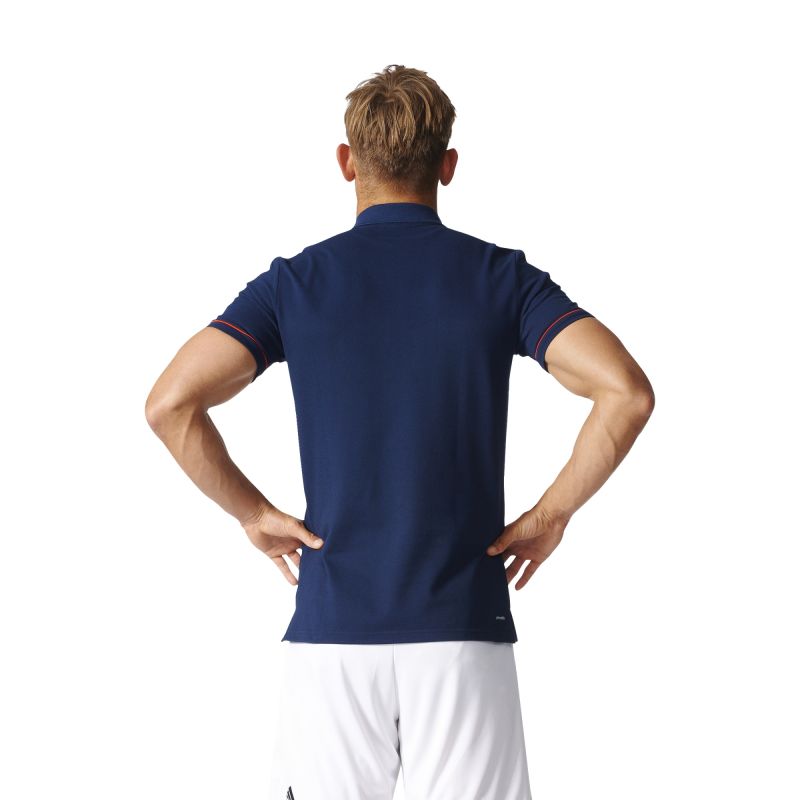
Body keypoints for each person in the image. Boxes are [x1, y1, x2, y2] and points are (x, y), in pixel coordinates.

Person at [145, 63, 655, 800]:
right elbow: (625, 392)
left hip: (333, 632)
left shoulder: (296, 283)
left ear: (347, 162)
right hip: (464, 627)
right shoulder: (501, 278)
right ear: (447, 165)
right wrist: (551, 515)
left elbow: (170, 404)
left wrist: (253, 514)